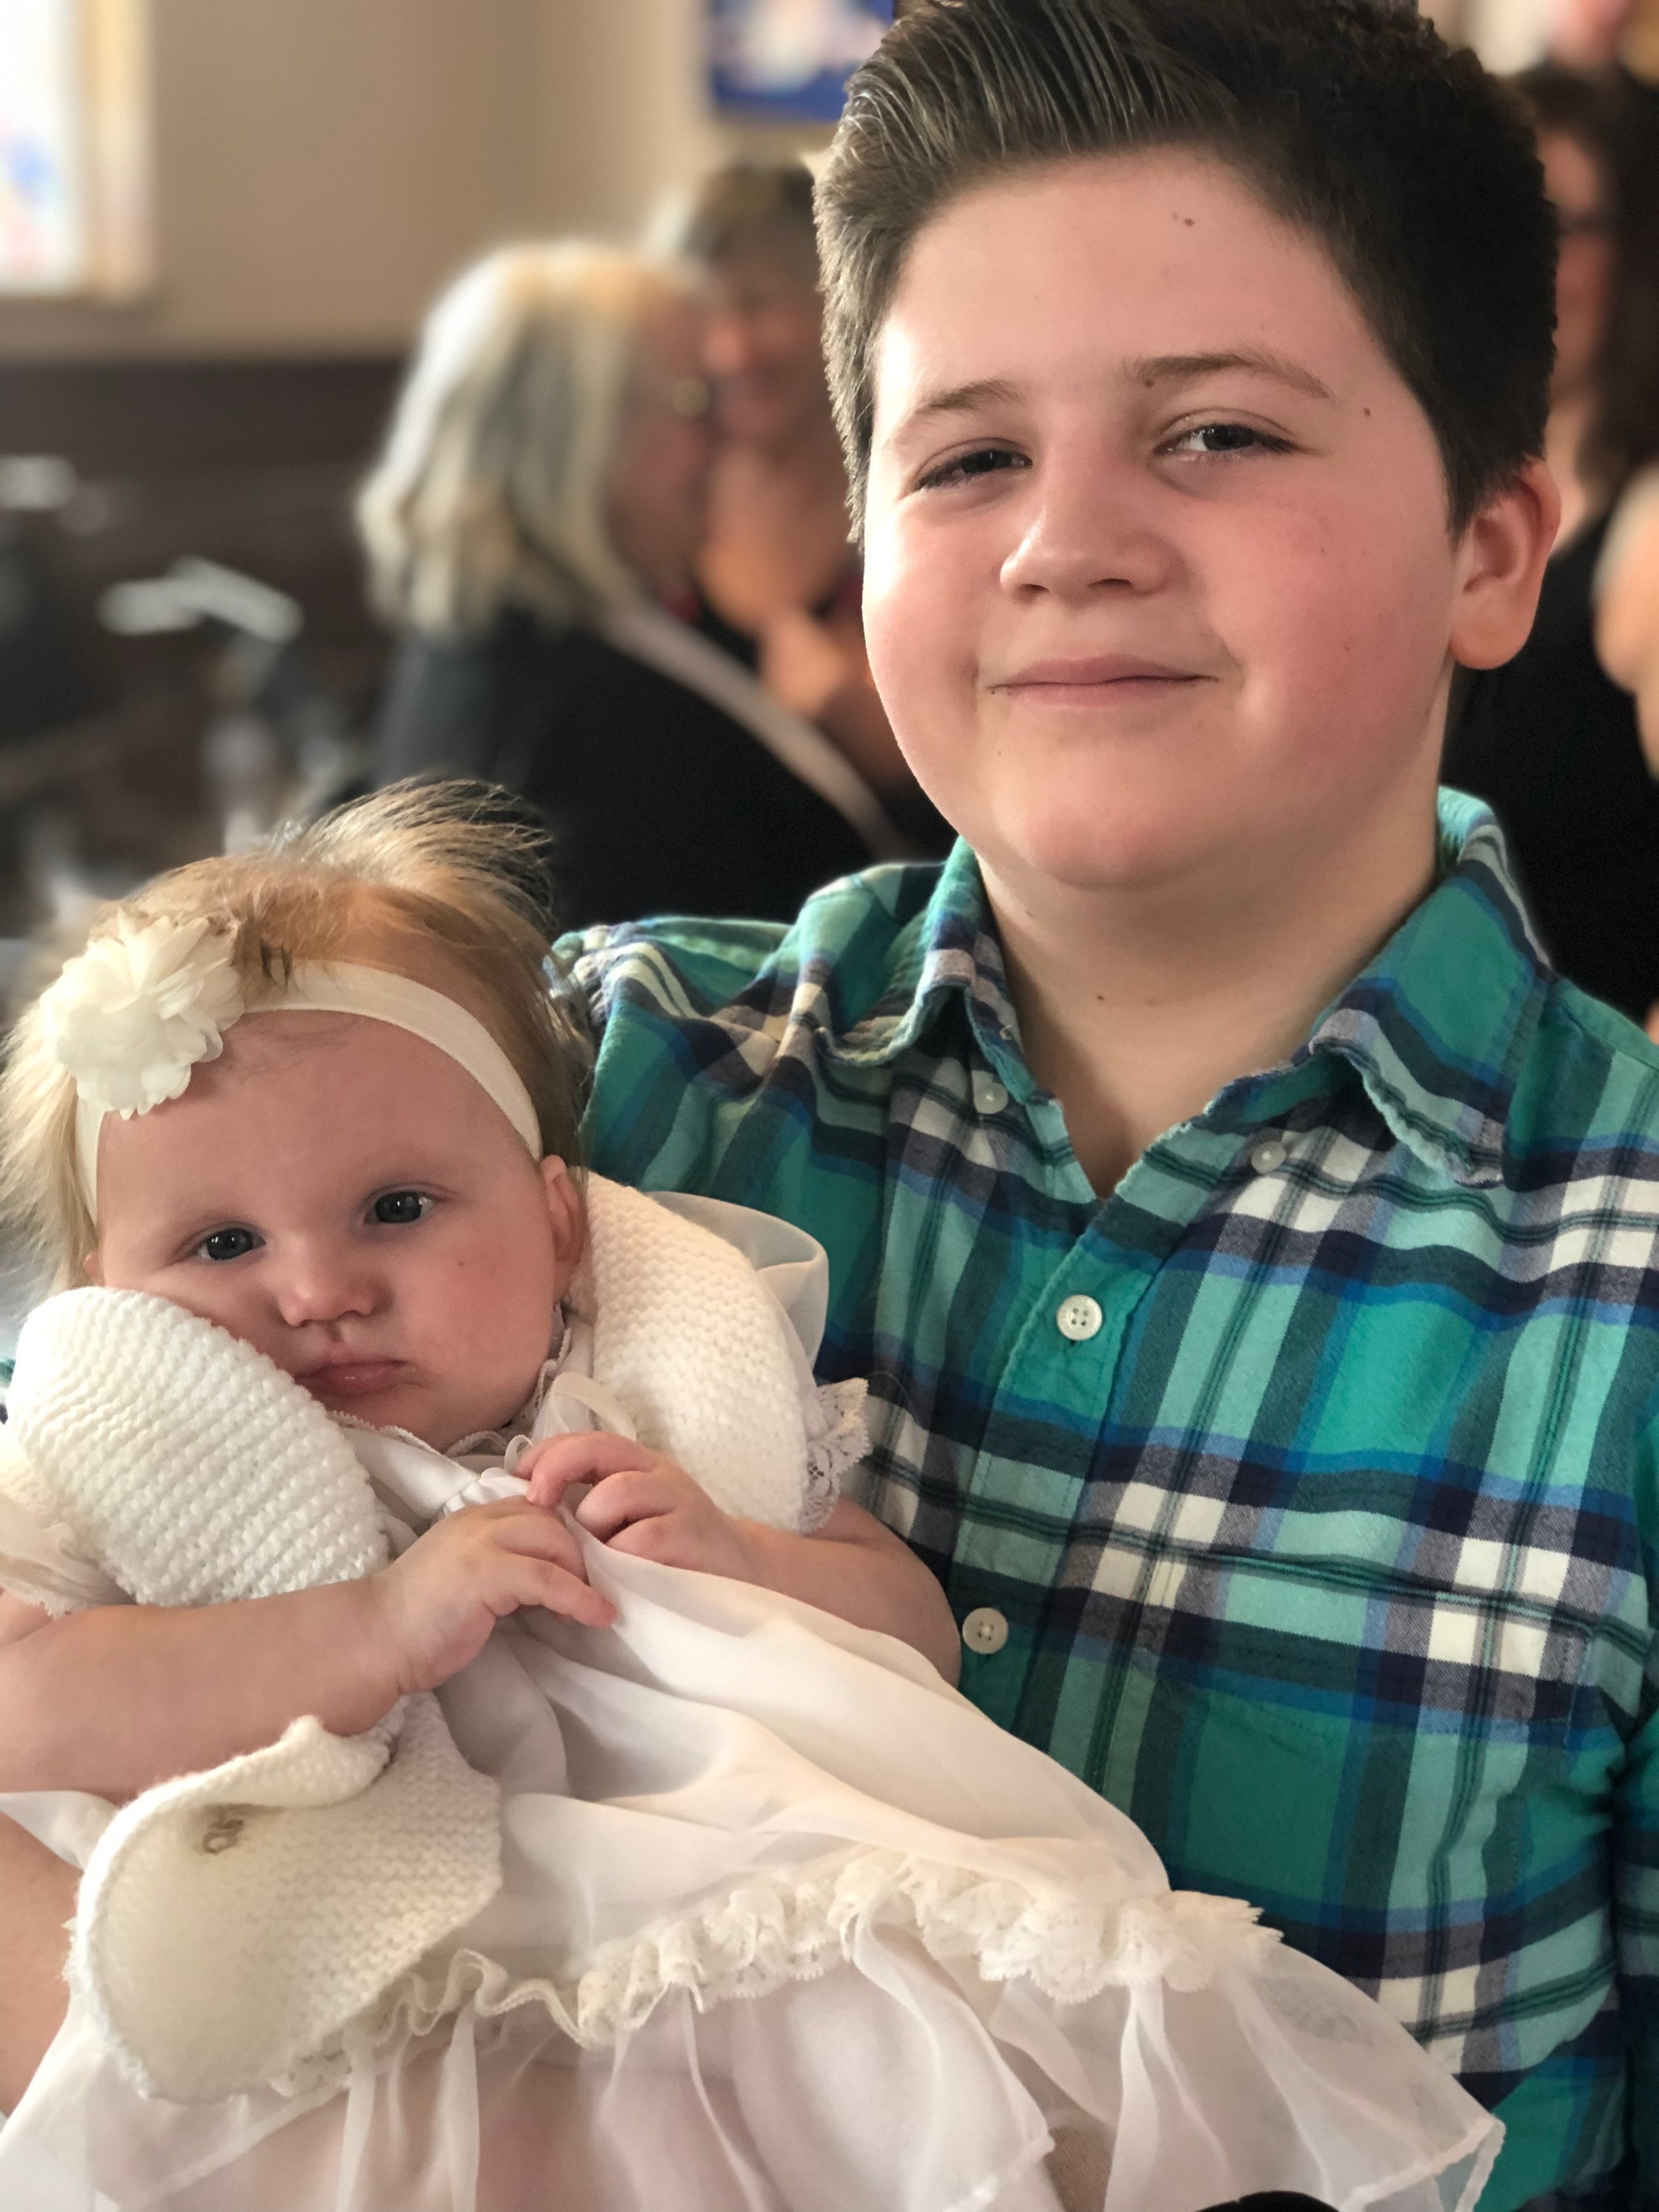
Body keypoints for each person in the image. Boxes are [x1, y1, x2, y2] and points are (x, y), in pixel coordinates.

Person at [554, 1, 1659, 2203]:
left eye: (1218, 433)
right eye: (965, 459)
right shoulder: (600, 1087)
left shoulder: (1613, 1290)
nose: (1066, 541)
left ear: (1489, 550)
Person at [0, 785, 1492, 2212]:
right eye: (220, 1244)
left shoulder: (653, 1378)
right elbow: (26, 1701)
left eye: (398, 1208)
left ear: (559, 1223)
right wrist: (376, 1626)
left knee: (863, 2095)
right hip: (354, 1974)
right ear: (98, 1293)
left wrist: (741, 1552)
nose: (320, 1288)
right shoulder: (107, 1455)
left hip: (722, 1918)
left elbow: (912, 1624)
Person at [366, 244, 910, 927]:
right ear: (584, 432)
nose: (727, 436)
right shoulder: (579, 724)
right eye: (696, 402)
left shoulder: (512, 645)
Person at [1441, 64, 1659, 1022]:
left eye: (1557, 226)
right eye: (1490, 225)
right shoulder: (1441, 495)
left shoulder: (1648, 529)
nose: (1515, 267)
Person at [672, 162, 950, 851]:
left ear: (836, 305)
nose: (731, 350)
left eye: (760, 304)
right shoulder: (650, 511)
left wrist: (886, 745)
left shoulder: (917, 506)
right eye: (705, 313)